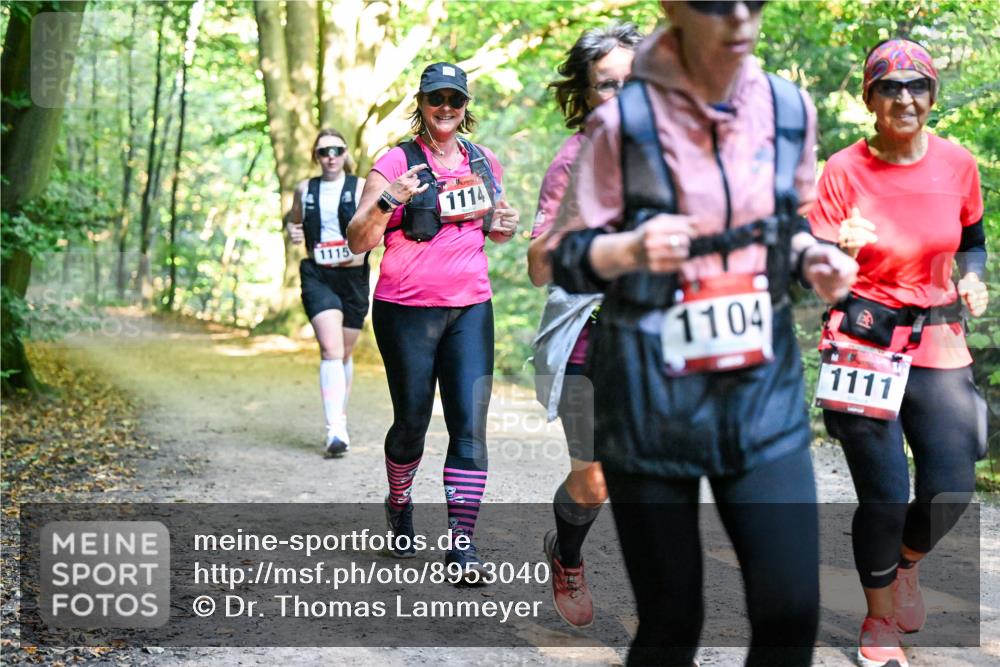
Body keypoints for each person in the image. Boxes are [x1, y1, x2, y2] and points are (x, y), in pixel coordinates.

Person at [547, 2, 858, 665]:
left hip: (761, 393)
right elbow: (560, 255)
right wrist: (627, 250)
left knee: (790, 612)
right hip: (650, 399)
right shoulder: (621, 124)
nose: (741, 15)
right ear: (672, 8)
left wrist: (812, 257)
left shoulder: (788, 108)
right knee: (670, 622)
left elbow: (789, 221)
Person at [809, 38, 988, 667]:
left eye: (917, 86)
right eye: (890, 87)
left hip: (939, 339)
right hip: (862, 341)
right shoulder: (841, 170)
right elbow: (815, 268)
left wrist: (973, 275)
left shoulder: (958, 163)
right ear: (870, 99)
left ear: (932, 96)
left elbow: (972, 239)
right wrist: (842, 254)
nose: (904, 98)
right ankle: (877, 619)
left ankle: (906, 563)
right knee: (884, 493)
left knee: (951, 487)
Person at [347, 62, 519, 578]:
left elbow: (496, 226)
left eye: (456, 100)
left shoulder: (482, 160)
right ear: (420, 104)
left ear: (466, 107)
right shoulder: (396, 161)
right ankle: (399, 503)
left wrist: (505, 225)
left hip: (471, 307)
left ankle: (461, 545)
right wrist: (388, 199)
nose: (446, 108)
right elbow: (358, 240)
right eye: (436, 99)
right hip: (406, 311)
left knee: (469, 427)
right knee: (413, 422)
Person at [528, 21, 643, 629]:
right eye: (607, 85)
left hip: (658, 339)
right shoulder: (569, 161)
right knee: (594, 478)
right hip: (588, 335)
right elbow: (539, 269)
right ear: (586, 93)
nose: (621, 97)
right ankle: (566, 554)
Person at [287, 129, 369, 457]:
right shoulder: (305, 189)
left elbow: (376, 227)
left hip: (354, 278)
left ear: (345, 153)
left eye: (336, 150)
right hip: (317, 275)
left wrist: (360, 252)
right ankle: (335, 430)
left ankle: (341, 417)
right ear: (316, 157)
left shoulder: (361, 187)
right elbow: (294, 221)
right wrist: (292, 230)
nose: (330, 156)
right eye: (323, 152)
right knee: (331, 350)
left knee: (345, 353)